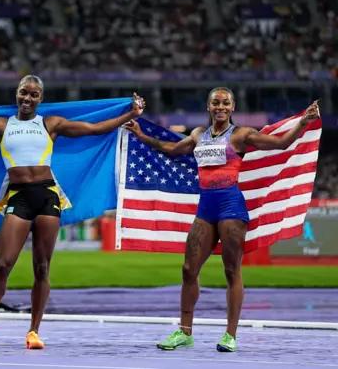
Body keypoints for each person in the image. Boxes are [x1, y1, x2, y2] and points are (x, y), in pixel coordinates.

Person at [0, 75, 144, 349]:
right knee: (3, 264)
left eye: (33, 95)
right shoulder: (1, 125)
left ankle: (34, 331)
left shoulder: (50, 124)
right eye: (24, 93)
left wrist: (129, 113)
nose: (27, 98)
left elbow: (93, 129)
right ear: (16, 94)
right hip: (18, 197)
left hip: (47, 196)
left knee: (42, 267)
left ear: (40, 99)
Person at [124, 87, 320, 353]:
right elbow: (170, 148)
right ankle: (185, 332)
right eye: (215, 102)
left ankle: (230, 335)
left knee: (231, 271)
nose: (220, 106)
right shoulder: (197, 135)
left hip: (231, 208)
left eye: (225, 103)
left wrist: (303, 122)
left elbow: (281, 143)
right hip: (206, 208)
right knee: (188, 270)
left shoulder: (241, 135)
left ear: (233, 107)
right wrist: (141, 135)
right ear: (208, 107)